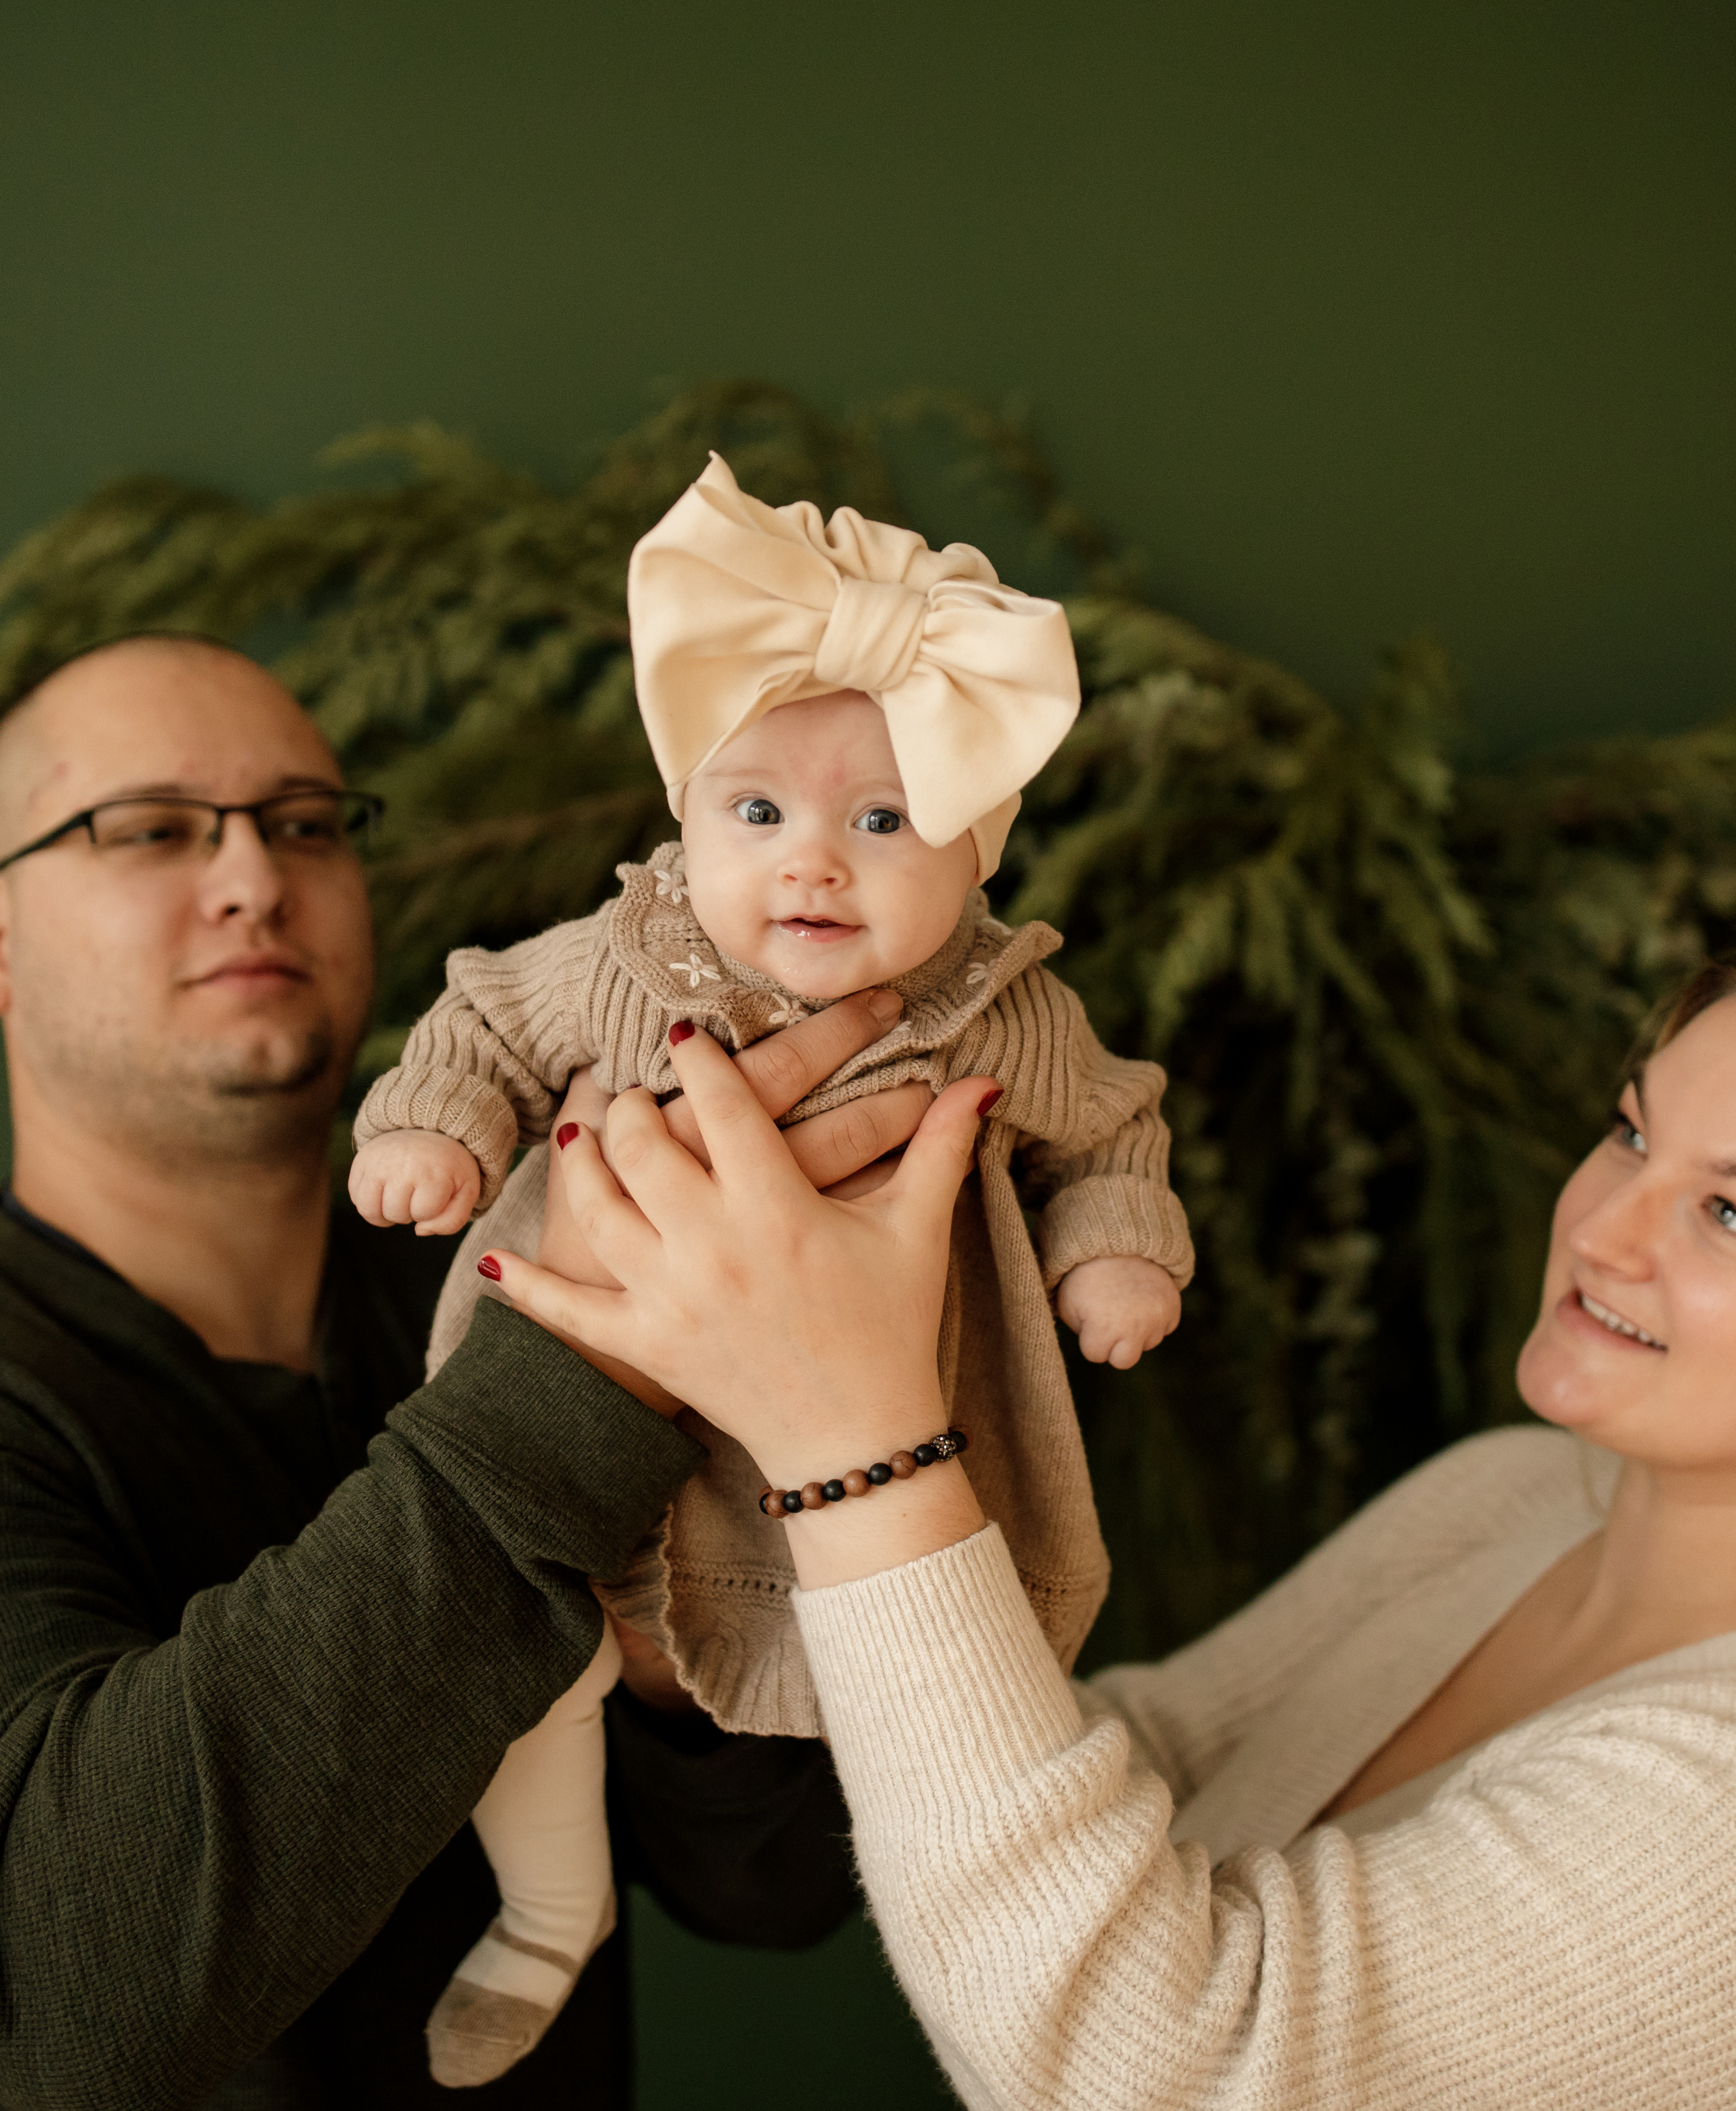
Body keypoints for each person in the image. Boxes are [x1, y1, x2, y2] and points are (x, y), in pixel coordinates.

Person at [491, 932, 1736, 2111]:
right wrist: (708, 1552)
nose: (1605, 1225)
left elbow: (1156, 2062)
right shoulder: (1525, 1500)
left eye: (1734, 1216)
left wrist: (858, 1437)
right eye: (1632, 1131)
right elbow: (1111, 1768)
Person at [0, 634, 922, 2108]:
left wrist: (671, 1645)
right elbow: (91, 1995)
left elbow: (777, 1887)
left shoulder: (505, 1271)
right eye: (147, 829)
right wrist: (580, 1363)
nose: (256, 876)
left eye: (307, 824)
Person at [346, 457, 1190, 2081]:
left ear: (978, 858)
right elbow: (485, 1021)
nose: (814, 864)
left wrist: (1115, 1253)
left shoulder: (1003, 1012)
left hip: (838, 1466)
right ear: (685, 823)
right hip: (573, 1415)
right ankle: (548, 1904)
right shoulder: (627, 960)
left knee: (862, 1689)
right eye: (761, 814)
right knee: (530, 1657)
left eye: (884, 822)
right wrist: (438, 1129)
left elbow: (1114, 1130)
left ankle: (938, 1904)